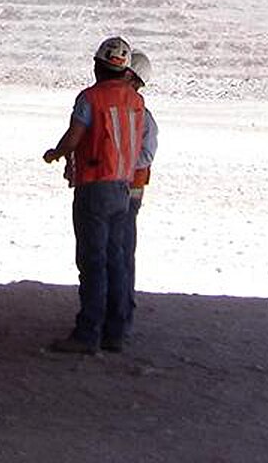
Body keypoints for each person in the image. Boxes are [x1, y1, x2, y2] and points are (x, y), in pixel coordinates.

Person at [41, 35, 147, 355]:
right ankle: (115, 333)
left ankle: (87, 333)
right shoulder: (136, 102)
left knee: (92, 261)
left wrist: (56, 153)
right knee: (116, 261)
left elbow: (74, 137)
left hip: (95, 187)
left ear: (97, 66)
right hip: (123, 189)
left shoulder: (90, 98)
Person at [122, 49, 158, 342]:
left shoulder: (142, 117)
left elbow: (144, 155)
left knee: (120, 254)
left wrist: (114, 163)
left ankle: (121, 317)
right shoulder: (123, 110)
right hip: (117, 190)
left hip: (126, 194)